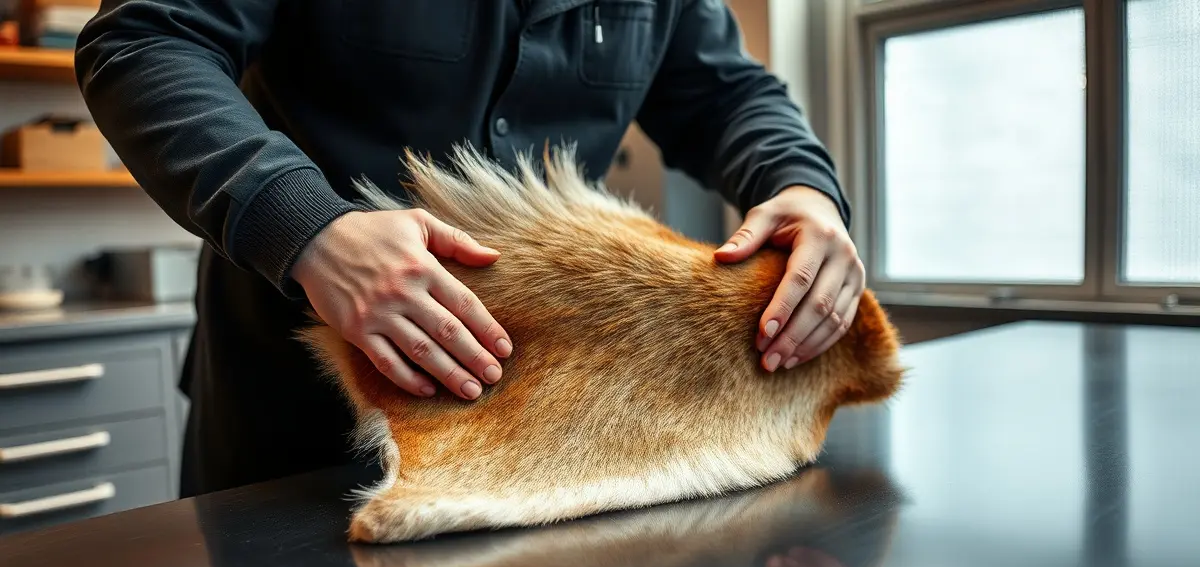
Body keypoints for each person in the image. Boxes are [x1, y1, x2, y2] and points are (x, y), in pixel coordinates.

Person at [75, 0, 863, 498]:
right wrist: (308, 225)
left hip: (544, 432)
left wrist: (803, 185)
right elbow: (143, 40)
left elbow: (727, 94)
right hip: (293, 424)